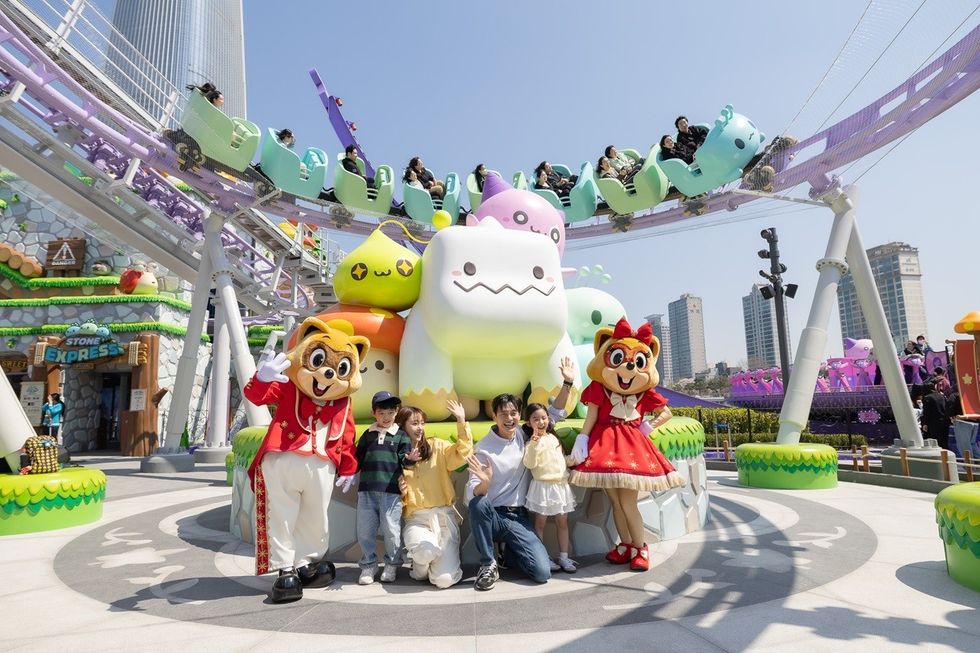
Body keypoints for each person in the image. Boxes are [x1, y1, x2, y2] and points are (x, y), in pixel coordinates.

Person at [466, 393, 552, 591]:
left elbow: (550, 416)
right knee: (478, 503)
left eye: (513, 413)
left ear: (520, 415)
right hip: (493, 516)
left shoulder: (523, 434)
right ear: (494, 416)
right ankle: (488, 564)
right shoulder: (483, 448)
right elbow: (473, 494)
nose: (509, 418)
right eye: (503, 414)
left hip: (518, 517)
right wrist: (485, 482)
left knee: (541, 573)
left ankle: (508, 553)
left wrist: (567, 383)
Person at [399, 400, 473, 589]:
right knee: (425, 551)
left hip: (444, 520)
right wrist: (399, 490)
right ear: (402, 426)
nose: (420, 428)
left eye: (422, 423)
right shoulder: (396, 456)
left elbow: (462, 453)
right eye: (414, 423)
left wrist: (461, 420)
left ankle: (432, 565)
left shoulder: (437, 447)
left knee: (443, 581)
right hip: (416, 520)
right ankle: (419, 568)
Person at [355, 391, 414, 585]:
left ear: (396, 412)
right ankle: (368, 565)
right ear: (374, 413)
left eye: (390, 412)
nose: (386, 417)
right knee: (365, 530)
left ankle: (391, 564)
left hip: (391, 492)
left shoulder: (401, 436)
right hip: (366, 491)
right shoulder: (367, 434)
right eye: (382, 412)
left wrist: (410, 460)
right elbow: (356, 458)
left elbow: (405, 461)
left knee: (391, 529)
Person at [522, 403, 577, 573]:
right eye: (535, 419)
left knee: (562, 522)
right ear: (529, 422)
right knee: (540, 524)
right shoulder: (531, 443)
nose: (540, 422)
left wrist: (572, 461)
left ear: (548, 419)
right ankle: (543, 557)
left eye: (543, 418)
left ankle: (564, 557)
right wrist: (534, 444)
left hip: (560, 486)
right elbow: (529, 463)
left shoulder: (554, 438)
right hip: (542, 487)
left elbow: (561, 461)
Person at [920, 381, 951, 449]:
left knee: (936, 442)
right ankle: (946, 456)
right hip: (945, 421)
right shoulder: (942, 396)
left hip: (934, 423)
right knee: (944, 441)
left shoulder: (927, 398)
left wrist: (925, 423)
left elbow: (927, 412)